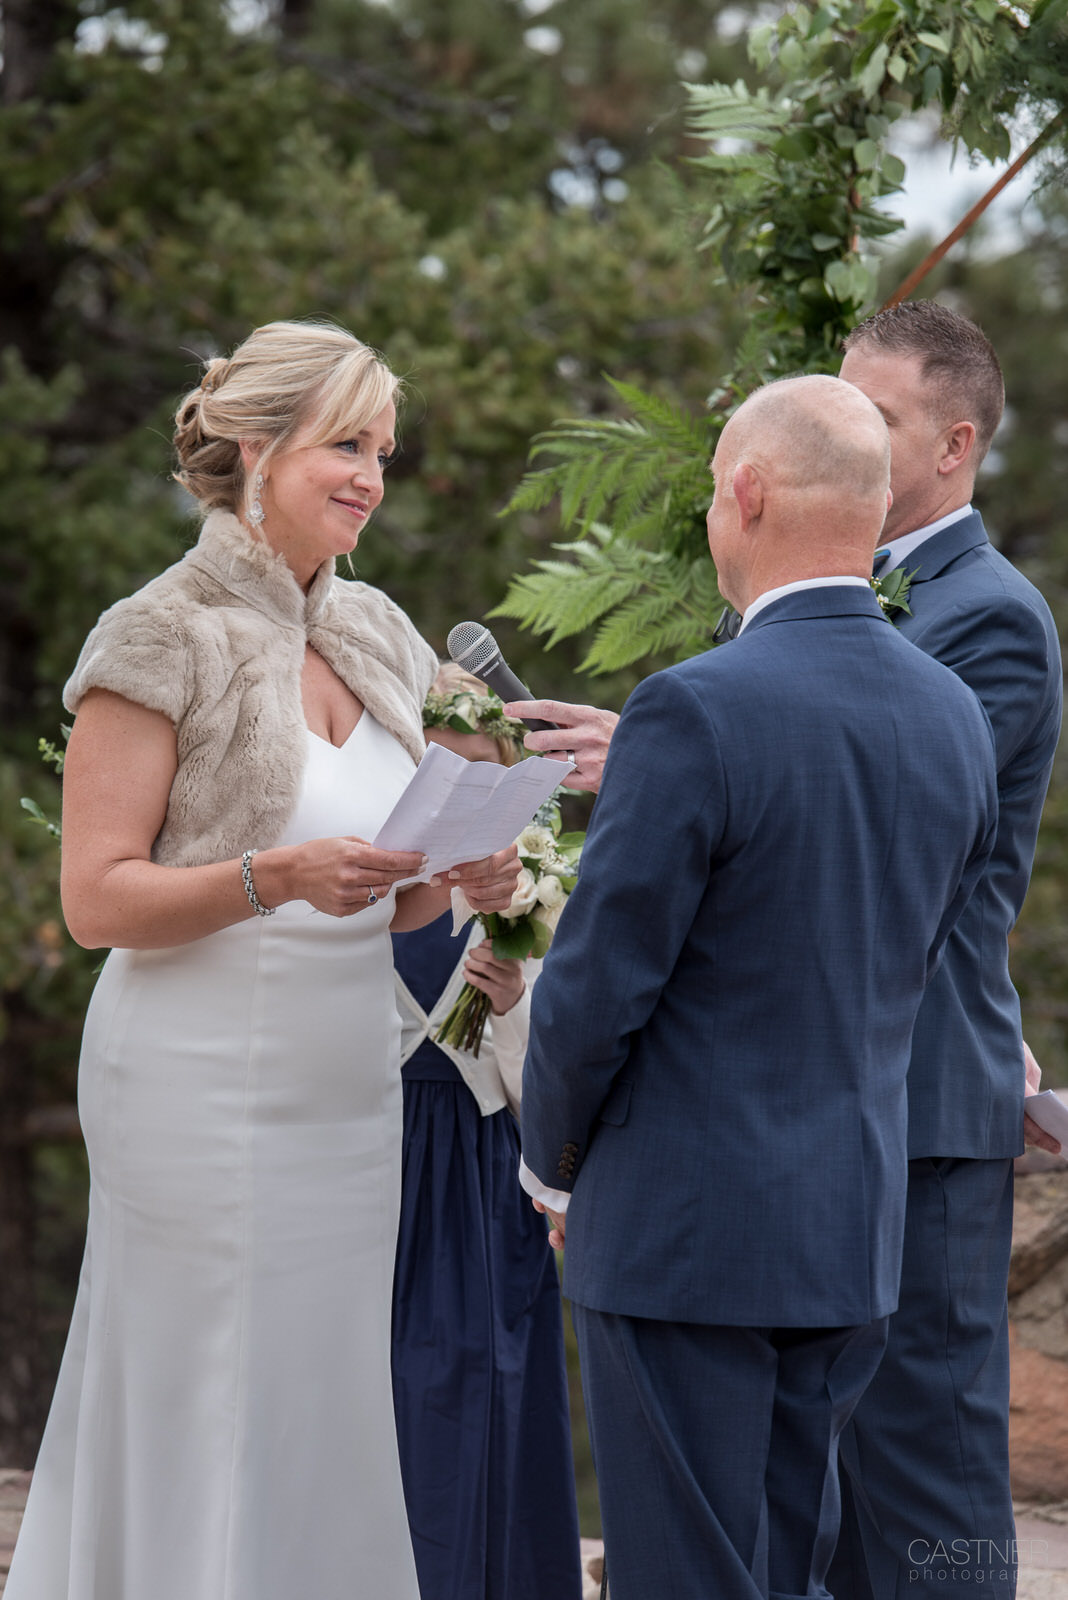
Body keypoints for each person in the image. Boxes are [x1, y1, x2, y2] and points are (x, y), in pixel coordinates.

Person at [5, 319, 520, 1600]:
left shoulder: (388, 637)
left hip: (346, 1087)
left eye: (383, 452)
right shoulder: (157, 632)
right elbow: (95, 899)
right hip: (193, 1086)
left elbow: (400, 905)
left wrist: (465, 878)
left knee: (323, 1390)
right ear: (253, 446)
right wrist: (269, 879)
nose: (371, 475)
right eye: (346, 443)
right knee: (209, 1384)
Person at [518, 374, 1000, 1600]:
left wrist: (551, 1160)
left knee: (685, 1575)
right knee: (791, 1569)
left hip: (686, 1230)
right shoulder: (953, 716)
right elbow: (925, 951)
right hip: (846, 1231)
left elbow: (599, 983)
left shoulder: (693, 708)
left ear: (747, 491)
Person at [823, 302, 1063, 1600]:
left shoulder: (990, 618)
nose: (847, 435)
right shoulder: (840, 594)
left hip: (918, 1098)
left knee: (926, 1480)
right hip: (835, 1094)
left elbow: (884, 828)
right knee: (841, 1484)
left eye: (881, 418)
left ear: (956, 443)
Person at [390, 665, 583, 1600]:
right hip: (372, 1165)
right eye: (438, 775)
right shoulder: (358, 878)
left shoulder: (521, 894)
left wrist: (510, 1005)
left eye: (478, 780)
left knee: (481, 1400)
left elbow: (543, 1081)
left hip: (473, 1179)